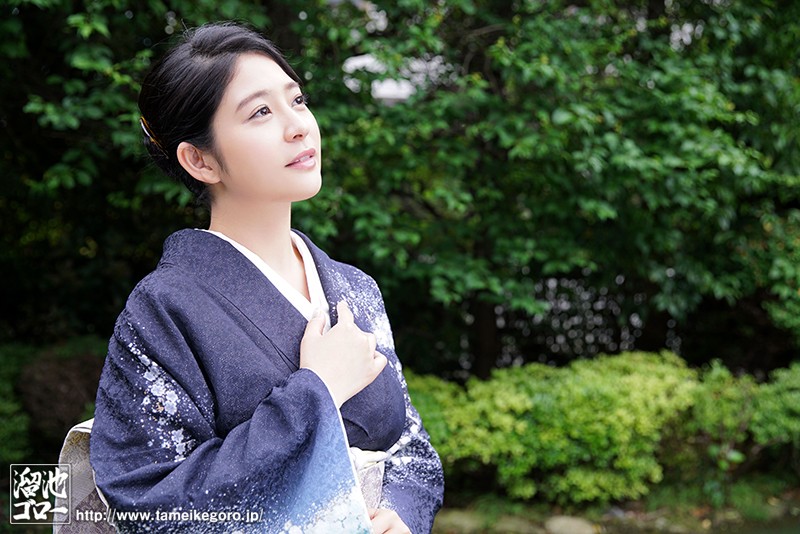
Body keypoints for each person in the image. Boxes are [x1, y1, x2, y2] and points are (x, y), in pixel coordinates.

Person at [89, 21, 444, 534]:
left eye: (296, 100)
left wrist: (402, 514)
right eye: (260, 112)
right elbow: (151, 502)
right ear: (199, 160)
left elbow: (412, 452)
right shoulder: (163, 309)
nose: (298, 126)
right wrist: (317, 391)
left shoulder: (355, 288)